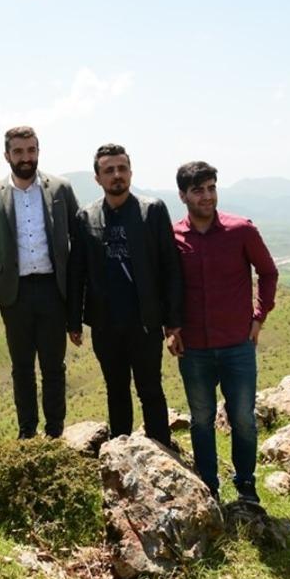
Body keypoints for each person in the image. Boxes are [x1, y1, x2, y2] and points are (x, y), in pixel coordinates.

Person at [173, 161, 278, 504]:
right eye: (198, 190)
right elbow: (166, 287)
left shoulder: (241, 231)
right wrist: (170, 328)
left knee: (244, 419)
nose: (207, 196)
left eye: (211, 188)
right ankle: (209, 488)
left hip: (237, 345)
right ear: (183, 195)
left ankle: (246, 486)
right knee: (201, 421)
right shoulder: (173, 237)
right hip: (195, 349)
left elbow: (268, 272)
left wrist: (259, 316)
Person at [67, 144, 183, 448]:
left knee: (150, 389)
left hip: (144, 320)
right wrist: (74, 320)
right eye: (109, 170)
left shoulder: (152, 210)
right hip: (105, 323)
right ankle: (120, 454)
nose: (117, 175)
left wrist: (173, 320)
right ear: (97, 178)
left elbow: (170, 265)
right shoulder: (85, 217)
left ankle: (161, 451)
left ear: (130, 172)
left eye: (122, 169)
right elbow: (76, 270)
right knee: (115, 389)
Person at [0, 126, 79, 439]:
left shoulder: (60, 189)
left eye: (31, 150)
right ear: (7, 155)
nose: (26, 158)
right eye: (19, 152)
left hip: (54, 290)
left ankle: (54, 432)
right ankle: (27, 432)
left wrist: (78, 295)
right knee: (21, 367)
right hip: (15, 293)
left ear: (38, 151)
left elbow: (78, 242)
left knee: (54, 366)